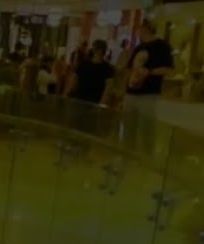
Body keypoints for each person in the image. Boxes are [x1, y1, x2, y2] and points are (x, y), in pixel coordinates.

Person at [123, 19, 174, 157]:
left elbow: (169, 70)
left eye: (140, 28)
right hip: (132, 92)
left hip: (149, 94)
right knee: (129, 127)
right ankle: (129, 155)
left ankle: (145, 157)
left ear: (146, 28)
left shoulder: (162, 46)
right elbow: (129, 69)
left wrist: (149, 72)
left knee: (147, 128)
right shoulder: (139, 48)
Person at [68, 39, 114, 110]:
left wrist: (69, 93)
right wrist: (101, 105)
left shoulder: (83, 65)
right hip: (93, 101)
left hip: (80, 99)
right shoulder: (108, 69)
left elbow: (73, 82)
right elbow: (107, 90)